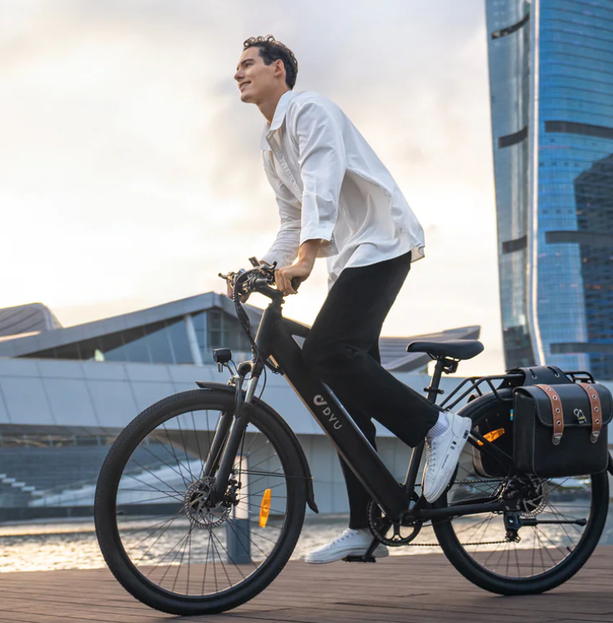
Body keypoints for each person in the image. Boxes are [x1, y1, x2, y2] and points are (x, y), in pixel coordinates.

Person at [234, 35, 472, 564]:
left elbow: (322, 178)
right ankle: (367, 527)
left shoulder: (309, 109)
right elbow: (292, 221)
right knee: (341, 387)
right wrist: (263, 269)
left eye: (248, 64)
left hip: (382, 243)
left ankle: (439, 427)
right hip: (351, 259)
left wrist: (306, 259)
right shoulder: (270, 146)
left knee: (323, 354)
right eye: (238, 67)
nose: (239, 74)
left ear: (279, 70)